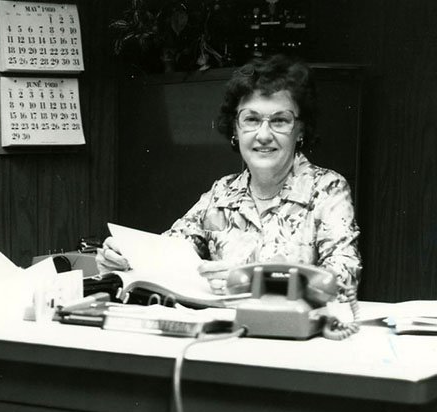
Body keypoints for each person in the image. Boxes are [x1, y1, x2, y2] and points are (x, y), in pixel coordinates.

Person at [97, 55, 362, 299]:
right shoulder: (222, 192)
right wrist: (123, 256)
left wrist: (254, 282)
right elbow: (168, 252)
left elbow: (343, 279)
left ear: (300, 130)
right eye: (251, 119)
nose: (264, 135)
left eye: (280, 121)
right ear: (235, 128)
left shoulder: (327, 189)